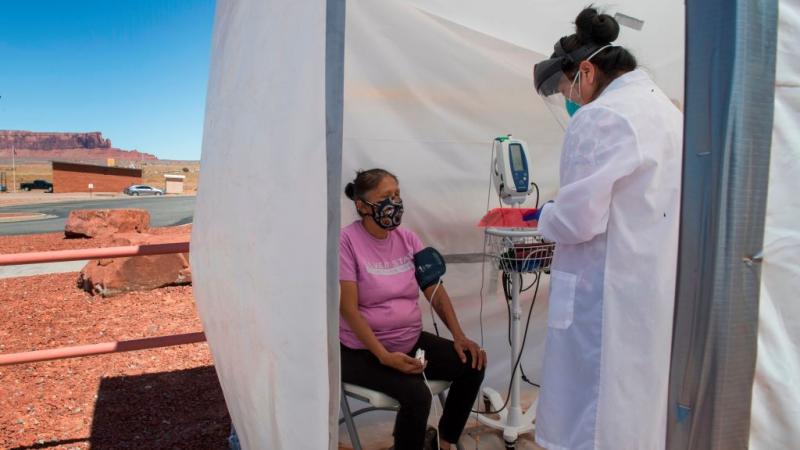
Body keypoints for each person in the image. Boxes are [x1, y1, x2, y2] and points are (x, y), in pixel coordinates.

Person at [531, 7, 682, 450]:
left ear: (586, 70)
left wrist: (544, 215)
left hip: (605, 299)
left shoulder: (601, 117)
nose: (569, 99)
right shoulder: (666, 110)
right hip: (650, 291)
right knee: (638, 416)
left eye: (566, 89)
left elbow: (579, 220)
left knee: (592, 423)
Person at [339, 168, 486, 450]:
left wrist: (459, 336)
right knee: (417, 395)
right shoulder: (346, 242)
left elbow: (435, 292)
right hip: (361, 350)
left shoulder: (408, 240)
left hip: (409, 340)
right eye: (385, 197)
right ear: (362, 205)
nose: (394, 203)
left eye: (397, 194)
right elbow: (348, 309)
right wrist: (384, 356)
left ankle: (444, 443)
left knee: (473, 362)